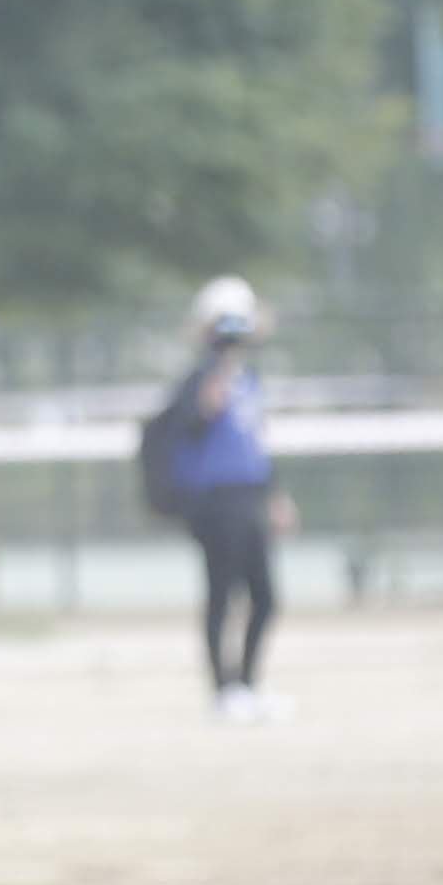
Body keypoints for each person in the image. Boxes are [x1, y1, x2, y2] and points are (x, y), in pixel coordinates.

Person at [155, 276, 294, 721]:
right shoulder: (197, 380)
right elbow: (182, 431)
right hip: (214, 504)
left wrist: (274, 495)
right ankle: (223, 690)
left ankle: (248, 683)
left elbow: (253, 443)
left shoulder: (248, 380)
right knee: (222, 596)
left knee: (265, 597)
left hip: (250, 496)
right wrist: (204, 401)